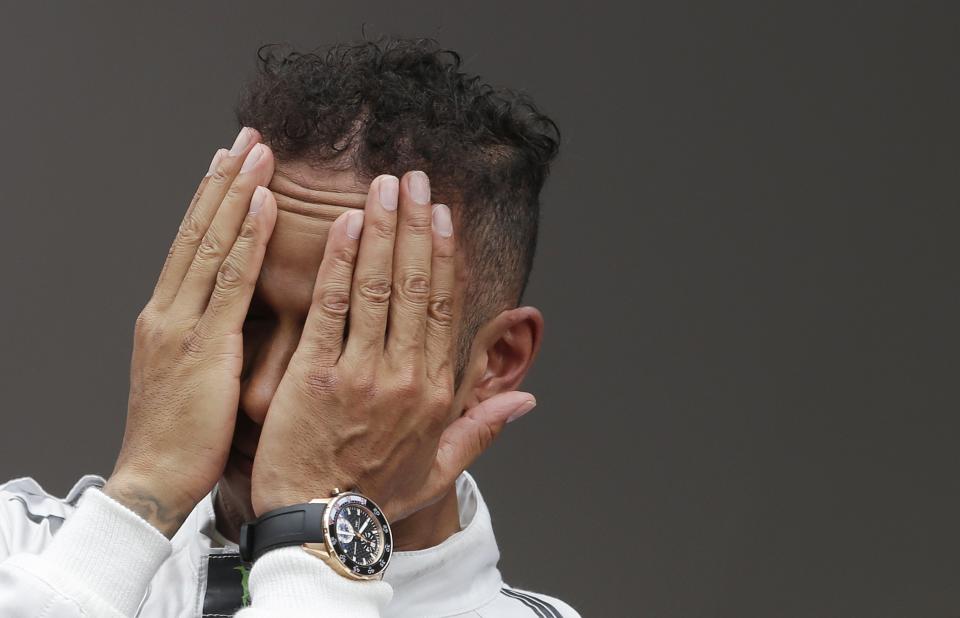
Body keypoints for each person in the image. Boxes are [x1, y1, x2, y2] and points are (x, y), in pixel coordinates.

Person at [0, 38, 579, 618]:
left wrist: (311, 538)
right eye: (243, 318)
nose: (259, 396)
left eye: (352, 336)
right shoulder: (18, 549)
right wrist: (135, 502)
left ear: (497, 361)